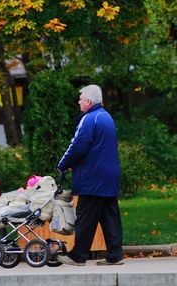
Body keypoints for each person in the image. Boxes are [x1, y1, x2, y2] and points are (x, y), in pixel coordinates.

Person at [56, 85, 124, 267]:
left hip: (92, 178)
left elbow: (78, 145)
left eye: (80, 98)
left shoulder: (89, 119)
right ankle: (115, 254)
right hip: (109, 176)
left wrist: (63, 164)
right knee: (109, 217)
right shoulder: (106, 117)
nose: (78, 101)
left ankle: (78, 255)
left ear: (88, 101)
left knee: (85, 217)